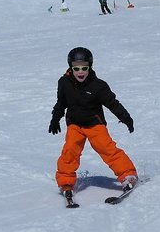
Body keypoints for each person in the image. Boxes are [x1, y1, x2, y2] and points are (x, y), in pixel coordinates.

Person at [49, 47, 136, 204]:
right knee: (69, 152)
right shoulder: (64, 83)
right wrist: (55, 119)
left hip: (95, 124)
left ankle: (127, 174)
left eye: (84, 68)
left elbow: (113, 104)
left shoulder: (98, 86)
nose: (80, 72)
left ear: (90, 66)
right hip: (75, 125)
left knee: (107, 149)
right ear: (70, 68)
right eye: (76, 68)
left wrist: (126, 118)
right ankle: (66, 181)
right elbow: (61, 103)